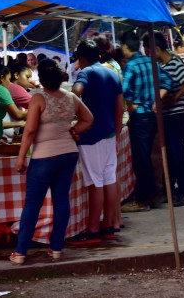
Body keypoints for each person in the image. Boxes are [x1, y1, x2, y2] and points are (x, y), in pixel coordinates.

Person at [10, 60, 93, 265]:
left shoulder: (38, 98)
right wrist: (74, 130)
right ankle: (56, 248)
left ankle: (21, 252)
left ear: (43, 80)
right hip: (68, 154)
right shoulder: (71, 97)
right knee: (61, 200)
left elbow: (29, 131)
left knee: (33, 204)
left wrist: (21, 156)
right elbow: (88, 119)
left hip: (44, 156)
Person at [71, 38, 124, 244]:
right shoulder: (112, 72)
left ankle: (92, 229)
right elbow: (119, 107)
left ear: (83, 58)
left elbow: (75, 93)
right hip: (110, 133)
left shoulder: (86, 72)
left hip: (91, 134)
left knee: (95, 182)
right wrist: (117, 133)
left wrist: (76, 118)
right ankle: (108, 226)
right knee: (108, 179)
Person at [121, 31, 174, 211]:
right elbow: (168, 80)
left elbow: (125, 90)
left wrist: (131, 106)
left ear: (125, 47)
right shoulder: (150, 61)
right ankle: (153, 195)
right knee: (149, 156)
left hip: (140, 117)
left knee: (141, 159)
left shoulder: (131, 65)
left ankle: (143, 200)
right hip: (153, 116)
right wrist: (157, 99)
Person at [147, 31, 184, 207]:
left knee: (177, 153)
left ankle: (181, 190)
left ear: (157, 49)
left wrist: (175, 98)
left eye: (150, 52)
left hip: (176, 114)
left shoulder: (174, 62)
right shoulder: (162, 65)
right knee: (169, 153)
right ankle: (173, 189)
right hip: (167, 115)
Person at [0, 61, 27, 145]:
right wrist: (36, 111)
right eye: (9, 79)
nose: (9, 83)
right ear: (1, 78)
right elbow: (17, 114)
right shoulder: (0, 89)